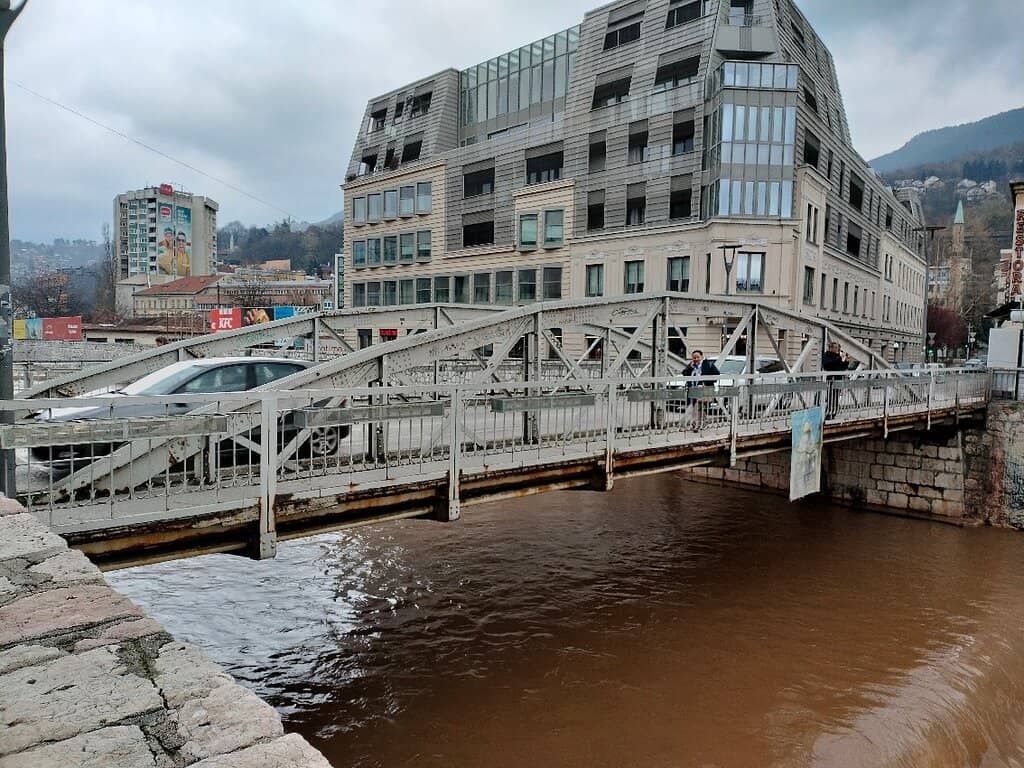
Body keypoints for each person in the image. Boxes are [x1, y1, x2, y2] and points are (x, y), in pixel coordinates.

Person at [682, 350, 720, 428]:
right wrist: (690, 368)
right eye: (694, 357)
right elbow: (684, 373)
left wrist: (705, 382)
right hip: (693, 389)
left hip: (703, 389)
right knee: (698, 407)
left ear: (702, 357)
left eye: (698, 357)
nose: (696, 359)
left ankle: (696, 424)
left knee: (697, 406)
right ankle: (703, 422)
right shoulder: (691, 365)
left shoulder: (708, 364)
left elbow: (716, 374)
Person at [822, 342, 849, 418]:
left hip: (838, 378)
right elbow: (828, 365)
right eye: (836, 347)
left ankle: (834, 411)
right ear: (831, 348)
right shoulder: (827, 355)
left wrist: (846, 362)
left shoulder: (838, 356)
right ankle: (829, 412)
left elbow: (842, 367)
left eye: (838, 348)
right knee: (830, 396)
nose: (837, 349)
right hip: (831, 379)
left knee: (836, 396)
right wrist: (839, 359)